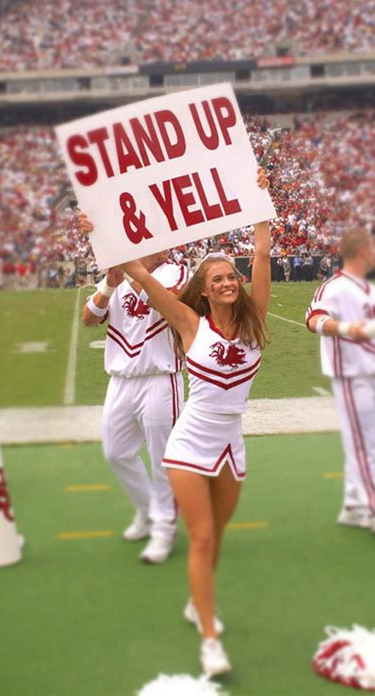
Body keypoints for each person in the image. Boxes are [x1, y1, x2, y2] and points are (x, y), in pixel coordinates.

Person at [119, 168, 271, 677]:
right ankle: (209, 639)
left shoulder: (255, 323)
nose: (227, 282)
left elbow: (263, 257)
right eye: (217, 280)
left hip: (232, 445)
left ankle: (195, 603)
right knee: (202, 538)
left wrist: (261, 204)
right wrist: (104, 232)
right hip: (189, 443)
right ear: (203, 291)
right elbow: (140, 275)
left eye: (231, 277)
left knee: (217, 536)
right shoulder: (191, 325)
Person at [80, 213, 189, 564]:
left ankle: (165, 529)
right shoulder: (121, 275)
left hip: (160, 377)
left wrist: (126, 269)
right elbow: (90, 318)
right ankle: (147, 510)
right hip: (122, 379)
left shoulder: (177, 271)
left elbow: (159, 301)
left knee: (163, 459)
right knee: (116, 451)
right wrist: (110, 283)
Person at [306, 227, 375, 541]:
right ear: (362, 251)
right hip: (351, 376)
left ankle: (353, 505)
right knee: (364, 446)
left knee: (368, 444)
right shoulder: (334, 287)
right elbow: (314, 320)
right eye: (374, 248)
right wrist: (351, 328)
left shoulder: (372, 291)